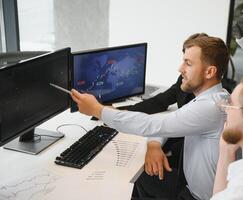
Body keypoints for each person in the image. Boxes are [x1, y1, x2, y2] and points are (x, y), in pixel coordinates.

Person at [70, 33, 230, 200]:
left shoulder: (210, 107)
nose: (180, 68)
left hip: (195, 197)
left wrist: (98, 110)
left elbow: (150, 124)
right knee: (140, 175)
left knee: (126, 176)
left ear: (210, 72)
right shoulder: (214, 97)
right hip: (191, 188)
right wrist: (154, 144)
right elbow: (173, 120)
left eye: (188, 63)